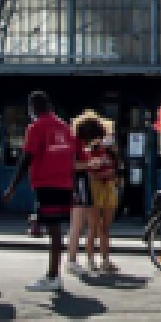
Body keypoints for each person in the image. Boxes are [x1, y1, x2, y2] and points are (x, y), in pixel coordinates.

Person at [2, 91, 76, 293]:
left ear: (32, 107)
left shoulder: (36, 127)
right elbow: (74, 156)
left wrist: (12, 187)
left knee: (53, 231)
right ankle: (54, 275)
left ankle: (53, 277)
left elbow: (26, 158)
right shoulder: (64, 126)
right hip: (64, 184)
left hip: (47, 183)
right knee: (56, 230)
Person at [72, 111, 122, 275]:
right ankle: (91, 260)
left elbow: (116, 167)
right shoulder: (88, 148)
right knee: (93, 226)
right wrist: (101, 172)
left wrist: (113, 167)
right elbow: (87, 169)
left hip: (108, 187)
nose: (106, 137)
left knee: (105, 227)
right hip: (94, 186)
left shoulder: (109, 149)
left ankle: (106, 261)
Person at [66, 111, 98, 278]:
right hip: (78, 181)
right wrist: (90, 163)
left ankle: (73, 259)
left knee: (81, 222)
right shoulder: (75, 141)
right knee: (77, 223)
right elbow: (71, 165)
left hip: (82, 180)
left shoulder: (76, 140)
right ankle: (71, 260)